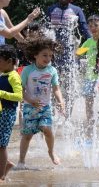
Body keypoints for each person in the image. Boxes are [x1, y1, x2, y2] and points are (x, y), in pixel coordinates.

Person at [47, 0, 91, 117]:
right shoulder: (51, 9)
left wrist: (79, 53)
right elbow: (45, 31)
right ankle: (54, 113)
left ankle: (67, 116)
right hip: (53, 55)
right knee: (53, 84)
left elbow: (87, 35)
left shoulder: (76, 10)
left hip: (70, 55)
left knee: (69, 86)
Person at [17, 38, 65, 167]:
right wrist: (30, 100)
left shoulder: (52, 71)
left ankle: (51, 151)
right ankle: (21, 160)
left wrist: (61, 101)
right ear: (35, 55)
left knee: (47, 130)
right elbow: (20, 90)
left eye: (50, 55)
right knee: (27, 135)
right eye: (44, 55)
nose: (48, 58)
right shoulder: (27, 70)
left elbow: (56, 88)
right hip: (29, 107)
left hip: (45, 107)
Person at [79, 15, 99, 138]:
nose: (93, 28)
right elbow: (77, 53)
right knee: (88, 104)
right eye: (90, 26)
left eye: (96, 25)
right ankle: (90, 126)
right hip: (90, 78)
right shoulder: (88, 42)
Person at [0, 45, 21, 181]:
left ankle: (1, 175)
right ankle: (6, 165)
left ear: (9, 61)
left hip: (7, 114)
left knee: (1, 145)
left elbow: (19, 96)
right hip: (2, 113)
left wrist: (1, 93)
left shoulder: (13, 76)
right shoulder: (3, 75)